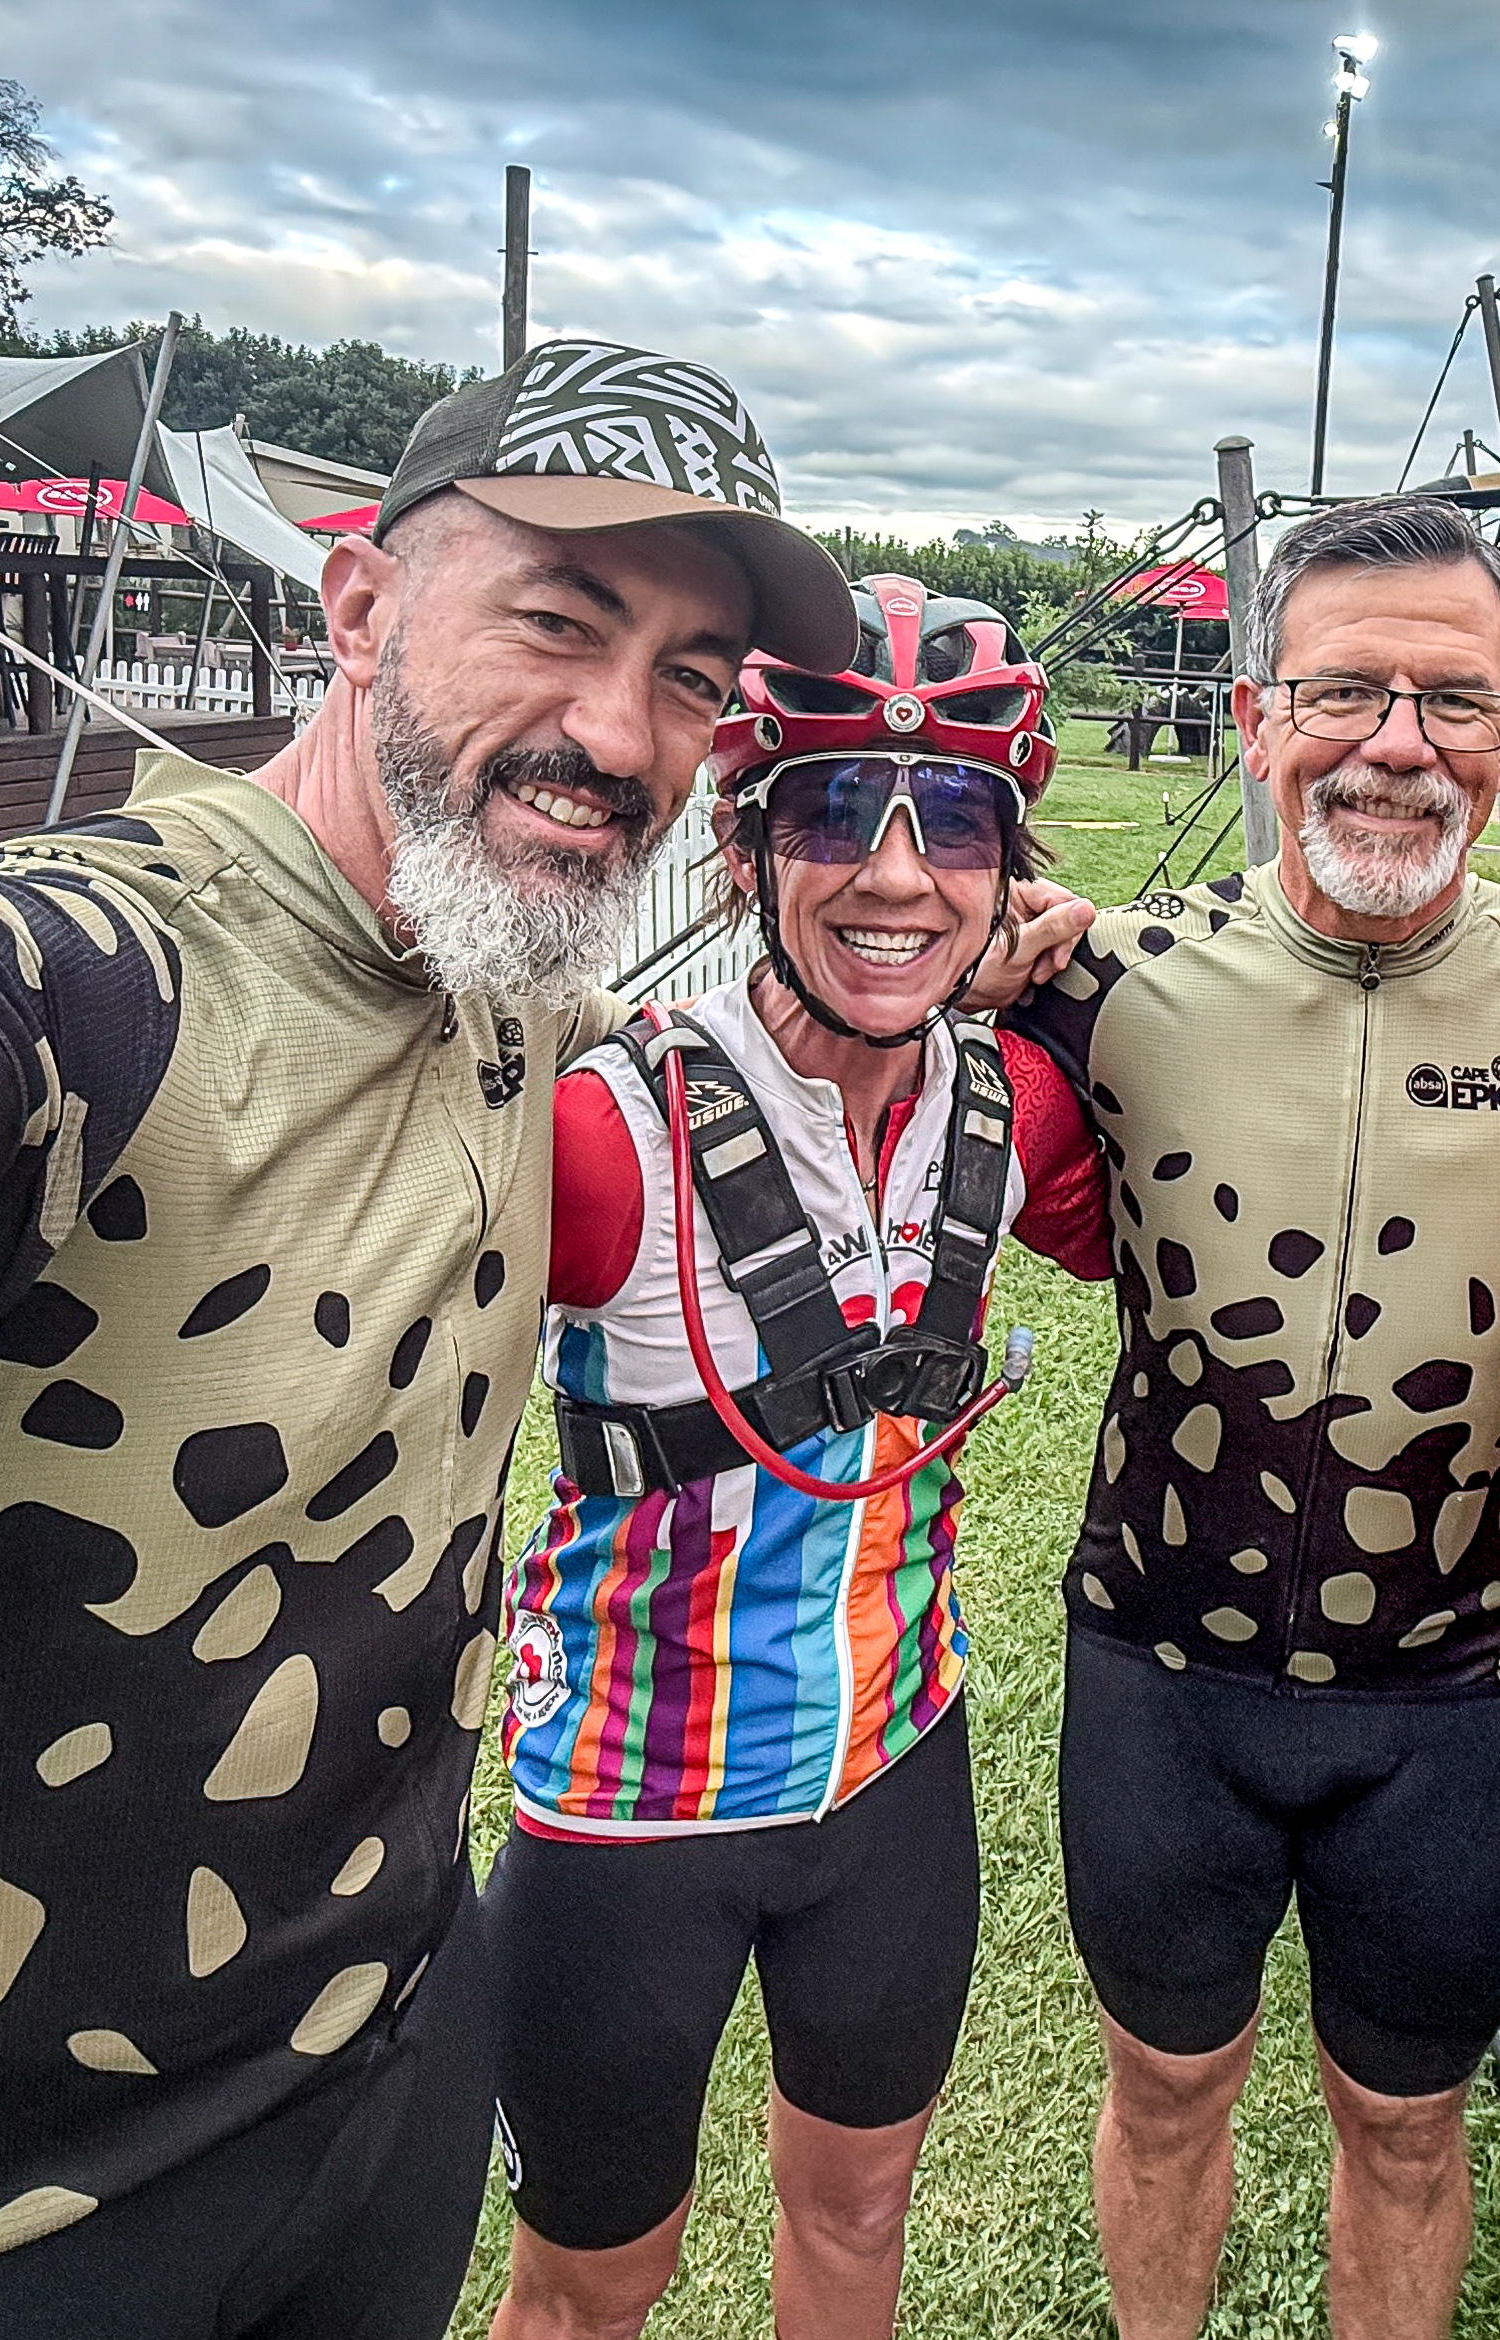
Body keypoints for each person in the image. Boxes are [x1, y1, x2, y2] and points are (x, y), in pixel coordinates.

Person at [0, 337, 862, 2339]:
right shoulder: (87, 965)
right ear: (359, 603)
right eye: (556, 619)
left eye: (691, 675)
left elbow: (750, 1043)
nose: (619, 730)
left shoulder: (507, 987)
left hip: (386, 2054)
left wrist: (1025, 953)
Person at [1009, 495, 1500, 2340]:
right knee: (1165, 2092)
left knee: (1405, 2126)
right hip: (1161, 1670)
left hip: (1448, 1692)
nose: (1397, 745)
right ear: (1256, 715)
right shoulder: (1106, 979)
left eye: (1451, 702)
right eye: (1345, 692)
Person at [483, 578, 1108, 2340]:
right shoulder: (605, 1134)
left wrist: (1085, 971)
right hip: (629, 1812)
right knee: (592, 2286)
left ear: (1006, 869)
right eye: (836, 811)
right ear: (746, 847)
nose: (898, 876)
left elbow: (1160, 1215)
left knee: (859, 2215)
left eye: (955, 823)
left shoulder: (1015, 1105)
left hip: (895, 1771)